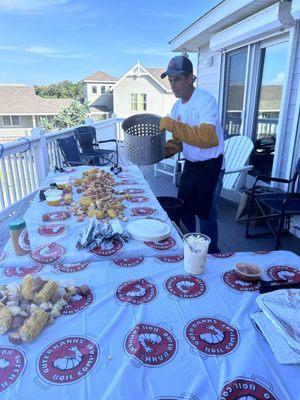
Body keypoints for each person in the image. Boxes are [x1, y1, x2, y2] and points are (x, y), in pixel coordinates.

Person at [160, 55, 224, 253]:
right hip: (190, 166)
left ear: (190, 78)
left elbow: (208, 137)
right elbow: (180, 140)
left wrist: (173, 125)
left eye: (177, 79)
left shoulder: (205, 100)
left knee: (205, 215)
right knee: (184, 209)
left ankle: (211, 254)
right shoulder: (177, 106)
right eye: (170, 80)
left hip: (210, 166)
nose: (173, 85)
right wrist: (161, 152)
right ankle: (189, 249)